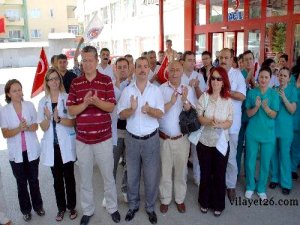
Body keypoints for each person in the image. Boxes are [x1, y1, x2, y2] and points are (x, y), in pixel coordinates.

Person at [67, 46, 121, 225]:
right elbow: (71, 110)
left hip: (103, 139)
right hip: (83, 140)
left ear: (97, 61)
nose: (87, 63)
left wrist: (96, 101)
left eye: (90, 60)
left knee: (108, 176)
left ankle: (112, 208)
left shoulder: (106, 81)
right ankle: (88, 210)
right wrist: (84, 103)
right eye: (84, 60)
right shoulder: (76, 83)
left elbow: (111, 107)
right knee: (85, 178)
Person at [118, 56, 164, 224]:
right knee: (132, 175)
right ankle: (133, 205)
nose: (143, 69)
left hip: (151, 139)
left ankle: (150, 207)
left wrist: (149, 110)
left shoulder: (156, 90)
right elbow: (121, 115)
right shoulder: (127, 91)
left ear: (148, 69)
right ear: (134, 69)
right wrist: (132, 109)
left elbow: (160, 113)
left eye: (145, 66)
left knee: (151, 176)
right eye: (139, 67)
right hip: (132, 140)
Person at [0, 79, 45, 222]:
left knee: (34, 181)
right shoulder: (4, 111)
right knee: (21, 183)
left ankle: (38, 207)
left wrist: (27, 127)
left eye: (19, 89)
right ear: (8, 93)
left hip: (31, 151)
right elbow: (5, 133)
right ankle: (25, 210)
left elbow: (36, 127)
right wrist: (19, 129)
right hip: (16, 154)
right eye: (14, 90)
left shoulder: (29, 105)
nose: (18, 92)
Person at [37, 68, 77, 221]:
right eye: (51, 79)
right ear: (46, 82)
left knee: (70, 178)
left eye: (56, 78)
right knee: (57, 180)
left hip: (65, 145)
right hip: (52, 147)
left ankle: (72, 207)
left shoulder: (67, 98)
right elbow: (43, 127)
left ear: (60, 81)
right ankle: (61, 208)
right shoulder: (43, 102)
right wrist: (48, 118)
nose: (54, 81)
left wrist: (58, 119)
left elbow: (73, 121)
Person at [158, 60, 196, 214]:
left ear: (182, 71)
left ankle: (179, 199)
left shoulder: (187, 88)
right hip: (164, 138)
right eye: (171, 70)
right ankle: (165, 199)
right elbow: (158, 112)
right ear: (167, 72)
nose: (174, 73)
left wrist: (185, 100)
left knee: (181, 172)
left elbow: (193, 111)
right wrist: (172, 102)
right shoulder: (160, 89)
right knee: (165, 172)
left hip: (182, 139)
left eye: (177, 70)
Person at [196, 66, 233, 216]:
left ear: (223, 81)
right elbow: (199, 117)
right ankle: (204, 201)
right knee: (205, 173)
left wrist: (220, 125)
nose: (216, 81)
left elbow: (230, 121)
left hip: (221, 143)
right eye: (213, 78)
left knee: (219, 174)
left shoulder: (228, 100)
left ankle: (218, 204)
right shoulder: (204, 97)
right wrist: (208, 121)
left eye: (219, 78)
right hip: (205, 142)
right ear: (209, 80)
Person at [245, 67, 279, 200]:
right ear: (258, 77)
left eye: (266, 77)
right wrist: (257, 107)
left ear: (270, 79)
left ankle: (261, 188)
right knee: (249, 161)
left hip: (268, 134)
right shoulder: (252, 93)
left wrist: (265, 108)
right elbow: (248, 113)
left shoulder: (273, 94)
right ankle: (250, 186)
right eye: (261, 77)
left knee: (265, 162)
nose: (263, 79)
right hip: (253, 133)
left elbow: (274, 115)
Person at [219, 48, 246, 201]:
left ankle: (231, 186)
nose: (223, 60)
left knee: (231, 157)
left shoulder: (237, 75)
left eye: (226, 57)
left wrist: (226, 91)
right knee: (218, 156)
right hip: (217, 124)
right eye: (221, 57)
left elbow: (242, 96)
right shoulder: (214, 73)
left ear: (231, 59)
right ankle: (220, 184)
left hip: (232, 125)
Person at [269, 67, 297, 195]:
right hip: (273, 127)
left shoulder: (292, 90)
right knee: (273, 154)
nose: (282, 78)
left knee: (285, 155)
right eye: (280, 75)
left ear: (289, 78)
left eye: (285, 76)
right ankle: (274, 178)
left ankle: (286, 183)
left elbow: (292, 110)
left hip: (286, 128)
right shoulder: (274, 89)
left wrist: (284, 97)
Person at [181, 50, 206, 187]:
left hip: (196, 116)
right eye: (189, 60)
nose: (192, 63)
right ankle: (182, 177)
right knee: (184, 150)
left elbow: (203, 97)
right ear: (183, 62)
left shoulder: (199, 76)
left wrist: (196, 86)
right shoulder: (179, 75)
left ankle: (197, 177)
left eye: (193, 60)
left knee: (197, 150)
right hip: (184, 116)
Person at [112, 57, 131, 203]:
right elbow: (114, 105)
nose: (122, 69)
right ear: (115, 69)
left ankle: (125, 190)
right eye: (120, 67)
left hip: (131, 132)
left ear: (130, 68)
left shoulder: (135, 86)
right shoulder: (110, 86)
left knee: (129, 165)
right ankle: (110, 194)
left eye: (125, 67)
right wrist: (118, 82)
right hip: (115, 132)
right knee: (111, 165)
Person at [291, 68, 300, 180]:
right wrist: (297, 86)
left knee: (297, 147)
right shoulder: (292, 78)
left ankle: (292, 168)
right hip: (291, 118)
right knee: (287, 147)